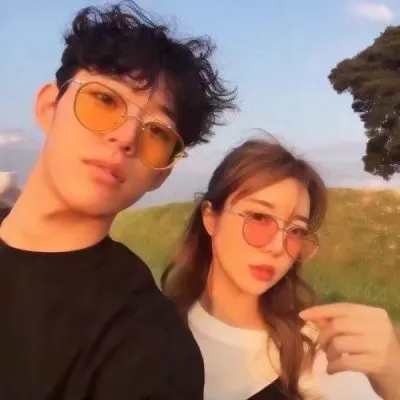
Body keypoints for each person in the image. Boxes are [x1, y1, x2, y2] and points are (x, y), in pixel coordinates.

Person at [0, 2, 237, 399]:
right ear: (48, 107)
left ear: (161, 173)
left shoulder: (150, 350)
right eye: (105, 100)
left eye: (157, 132)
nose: (127, 137)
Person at [161, 136, 400, 400]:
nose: (277, 247)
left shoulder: (313, 352)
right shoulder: (152, 329)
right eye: (259, 217)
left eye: (296, 230)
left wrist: (393, 378)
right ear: (210, 219)